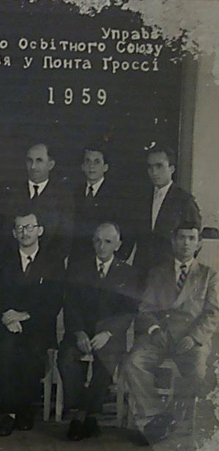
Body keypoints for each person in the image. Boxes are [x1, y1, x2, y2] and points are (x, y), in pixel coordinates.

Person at [124, 221, 219, 445]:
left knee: (199, 372)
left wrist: (194, 337)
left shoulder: (208, 276)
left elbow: (213, 313)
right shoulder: (158, 272)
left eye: (191, 238)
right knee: (133, 362)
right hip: (161, 336)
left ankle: (174, 416)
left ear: (198, 244)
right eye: (181, 238)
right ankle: (153, 416)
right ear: (173, 241)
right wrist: (155, 329)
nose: (186, 243)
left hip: (191, 339)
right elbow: (144, 308)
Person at [58, 222, 139, 440]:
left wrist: (108, 334)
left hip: (110, 337)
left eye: (107, 242)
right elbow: (70, 305)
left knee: (106, 362)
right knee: (66, 358)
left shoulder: (128, 273)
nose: (101, 246)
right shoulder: (78, 268)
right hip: (80, 332)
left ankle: (84, 415)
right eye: (97, 240)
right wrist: (79, 333)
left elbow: (129, 311)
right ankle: (81, 414)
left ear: (118, 245)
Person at [0, 210, 65, 436]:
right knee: (5, 350)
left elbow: (55, 301)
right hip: (6, 323)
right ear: (14, 233)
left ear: (39, 231)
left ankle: (24, 407)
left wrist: (24, 315)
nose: (25, 232)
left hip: (38, 324)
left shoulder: (53, 262)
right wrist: (5, 315)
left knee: (33, 352)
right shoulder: (2, 259)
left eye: (30, 227)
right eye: (20, 228)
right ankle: (11, 412)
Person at [134, 144, 201, 278]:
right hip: (142, 271)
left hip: (170, 273)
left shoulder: (184, 201)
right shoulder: (141, 198)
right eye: (150, 167)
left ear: (171, 169)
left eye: (159, 166)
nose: (154, 172)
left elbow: (194, 240)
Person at [70, 144, 134, 263]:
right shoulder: (74, 193)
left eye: (97, 162)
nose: (91, 166)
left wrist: (117, 260)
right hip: (78, 261)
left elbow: (127, 232)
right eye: (87, 161)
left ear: (105, 167)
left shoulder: (118, 195)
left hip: (105, 261)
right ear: (82, 166)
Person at [10, 143, 74, 260]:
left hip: (49, 263)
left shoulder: (63, 197)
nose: (33, 166)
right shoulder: (13, 193)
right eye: (30, 161)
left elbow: (65, 237)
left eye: (39, 161)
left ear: (51, 164)